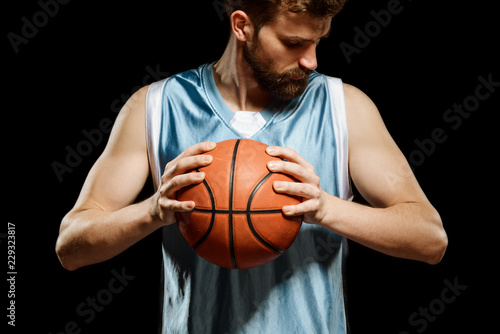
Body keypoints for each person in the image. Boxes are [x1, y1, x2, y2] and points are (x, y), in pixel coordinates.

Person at [56, 0, 448, 332]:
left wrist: (327, 208)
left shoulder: (346, 107)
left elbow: (430, 240)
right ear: (242, 26)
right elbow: (71, 248)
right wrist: (153, 211)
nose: (311, 60)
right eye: (294, 43)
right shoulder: (155, 107)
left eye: (317, 42)